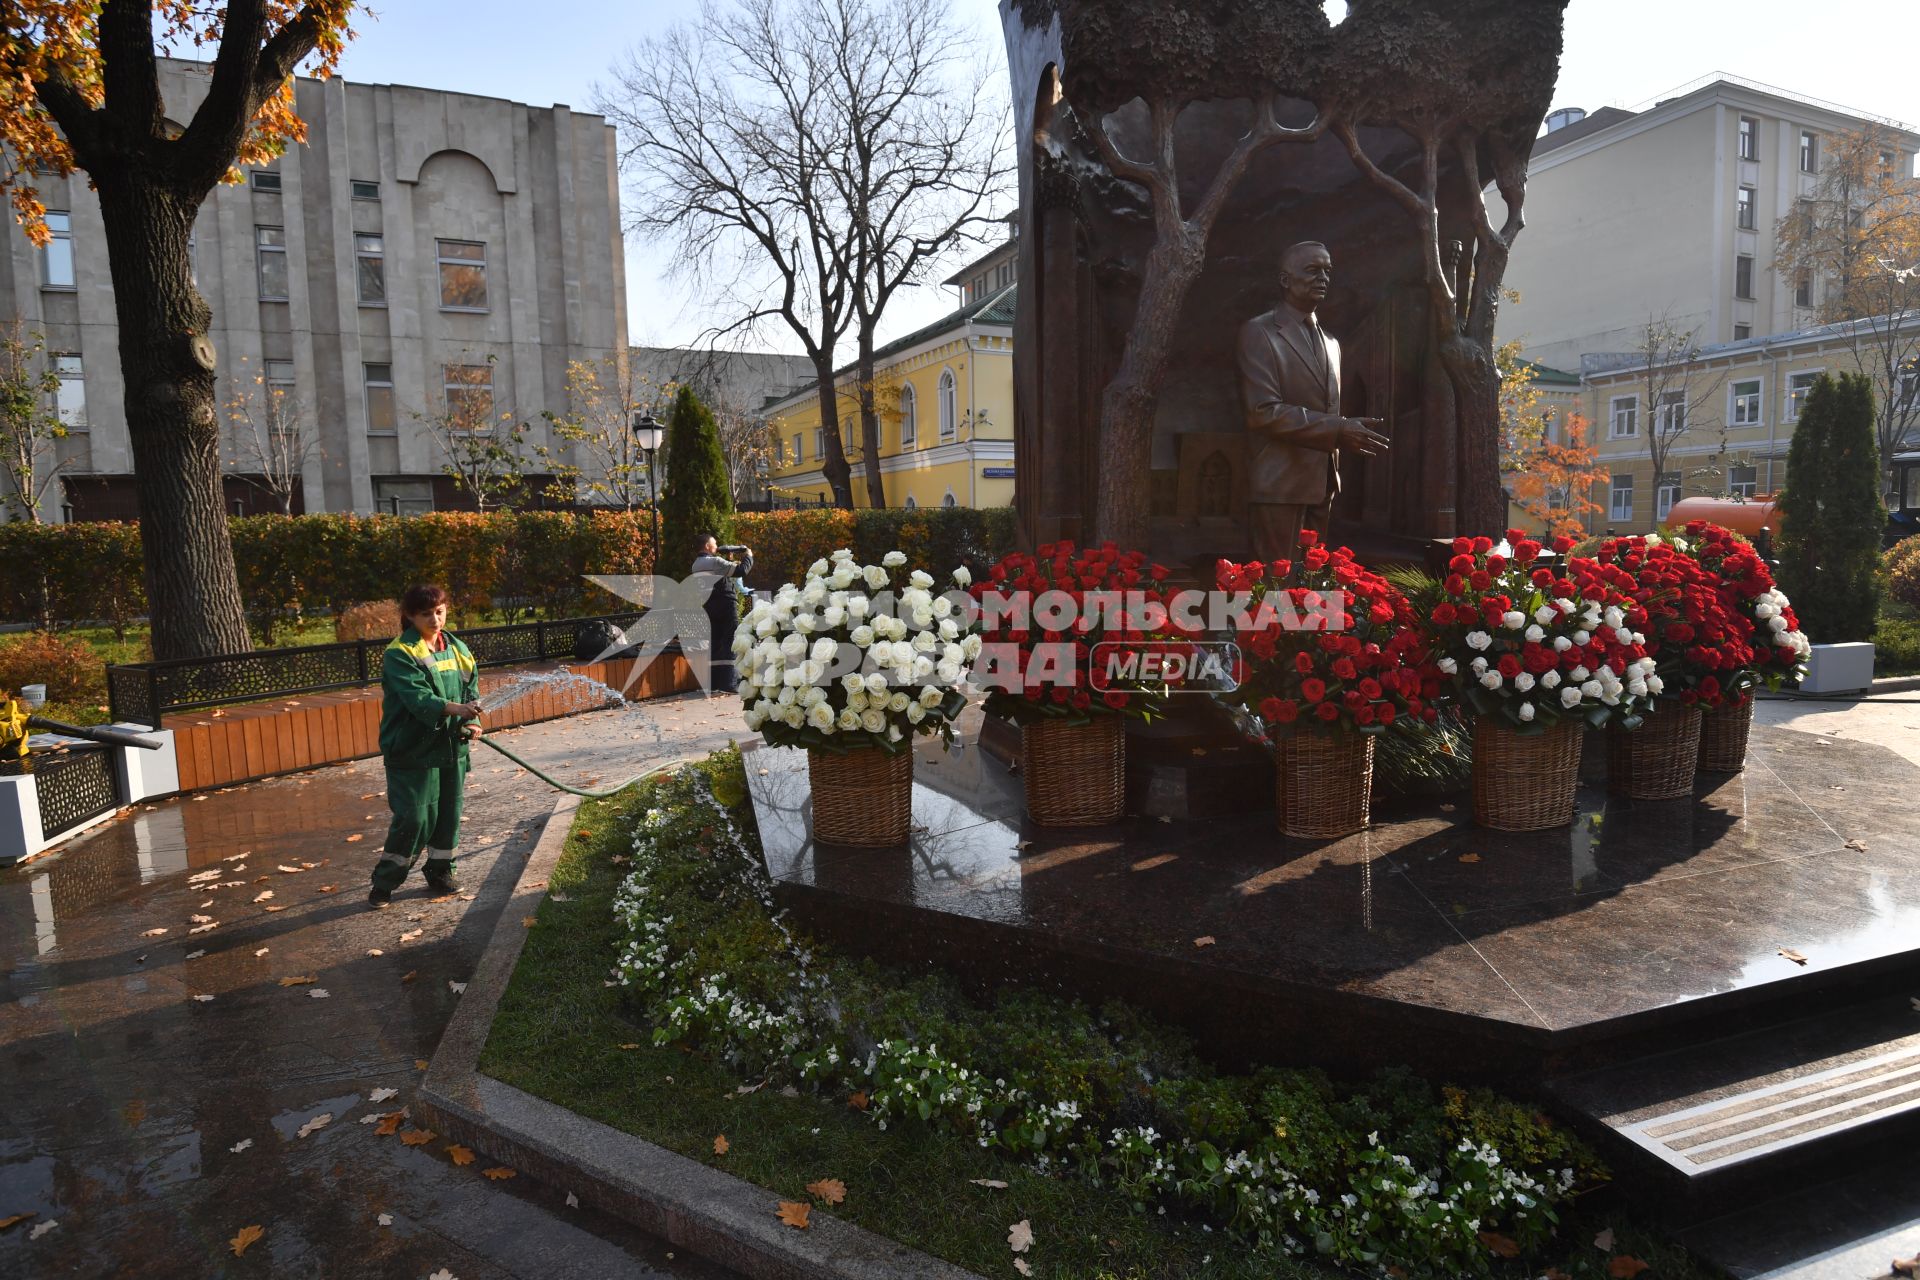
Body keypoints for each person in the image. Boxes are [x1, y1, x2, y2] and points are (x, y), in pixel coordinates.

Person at [1236, 240, 1391, 565]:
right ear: (1285, 280)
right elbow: (1262, 412)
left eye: (1327, 271)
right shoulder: (1260, 332)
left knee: (1308, 589)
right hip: (1279, 485)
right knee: (1276, 589)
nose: (1323, 277)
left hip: (1322, 484)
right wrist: (1338, 429)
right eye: (1312, 270)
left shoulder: (1332, 343)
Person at [370, 584, 481, 905]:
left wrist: (472, 720)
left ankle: (441, 871)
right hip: (412, 749)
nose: (435, 619)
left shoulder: (457, 647)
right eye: (426, 614)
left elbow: (470, 688)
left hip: (450, 748)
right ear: (409, 616)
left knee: (448, 813)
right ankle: (384, 883)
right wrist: (455, 710)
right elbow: (417, 697)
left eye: (440, 611)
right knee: (415, 818)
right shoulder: (399, 653)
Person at [692, 534, 753, 693]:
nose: (717, 544)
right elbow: (741, 571)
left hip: (710, 607)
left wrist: (729, 561)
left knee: (715, 643)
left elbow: (720, 574)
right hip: (726, 605)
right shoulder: (714, 562)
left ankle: (713, 684)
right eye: (714, 542)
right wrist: (749, 556)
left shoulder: (696, 564)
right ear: (706, 546)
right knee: (729, 642)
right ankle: (729, 683)